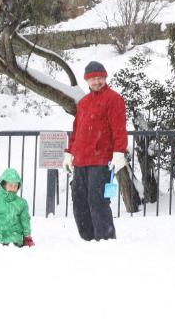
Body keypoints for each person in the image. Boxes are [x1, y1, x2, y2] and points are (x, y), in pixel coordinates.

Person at [62, 61, 128, 241]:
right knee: (79, 201)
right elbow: (77, 130)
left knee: (97, 201)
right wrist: (70, 152)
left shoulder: (114, 99)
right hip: (81, 160)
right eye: (92, 79)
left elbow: (119, 128)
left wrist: (119, 151)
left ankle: (104, 240)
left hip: (101, 160)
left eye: (99, 77)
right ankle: (88, 239)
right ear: (87, 81)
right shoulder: (83, 103)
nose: (96, 81)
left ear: (105, 78)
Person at [0, 167, 34, 247]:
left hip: (14, 239)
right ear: (3, 184)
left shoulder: (21, 203)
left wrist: (27, 235)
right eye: (10, 185)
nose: (13, 188)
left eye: (15, 185)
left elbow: (25, 220)